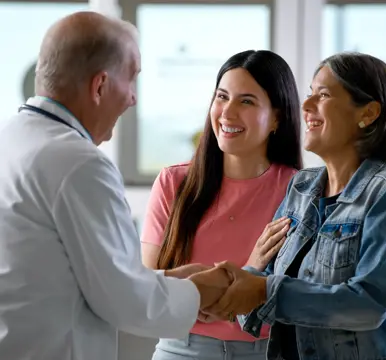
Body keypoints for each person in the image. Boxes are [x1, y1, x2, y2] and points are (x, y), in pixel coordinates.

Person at [141, 50, 386, 359]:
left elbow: (366, 302)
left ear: (367, 114)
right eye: (309, 94)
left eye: (324, 94)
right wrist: (226, 283)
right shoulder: (304, 189)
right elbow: (275, 282)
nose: (306, 106)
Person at [0, 11, 230, 360]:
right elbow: (124, 300)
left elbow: (66, 270)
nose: (133, 98)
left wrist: (169, 280)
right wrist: (200, 291)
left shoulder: (11, 139)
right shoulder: (78, 164)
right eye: (131, 79)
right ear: (100, 86)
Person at [141, 50, 302, 360]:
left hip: (269, 353)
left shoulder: (303, 190)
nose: (227, 113)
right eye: (222, 97)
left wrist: (200, 291)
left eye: (246, 101)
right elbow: (148, 289)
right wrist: (249, 274)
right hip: (181, 350)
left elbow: (323, 286)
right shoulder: (173, 183)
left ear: (277, 119)